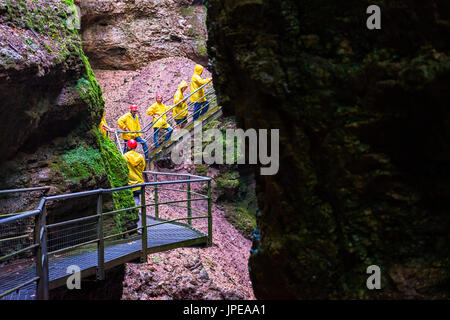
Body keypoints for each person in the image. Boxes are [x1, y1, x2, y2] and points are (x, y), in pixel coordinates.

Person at [123, 139, 146, 234]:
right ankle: (135, 215)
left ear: (128, 147)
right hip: (138, 183)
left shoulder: (124, 156)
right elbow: (142, 168)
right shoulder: (140, 157)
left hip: (128, 184)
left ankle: (130, 224)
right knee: (136, 200)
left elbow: (123, 168)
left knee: (128, 203)